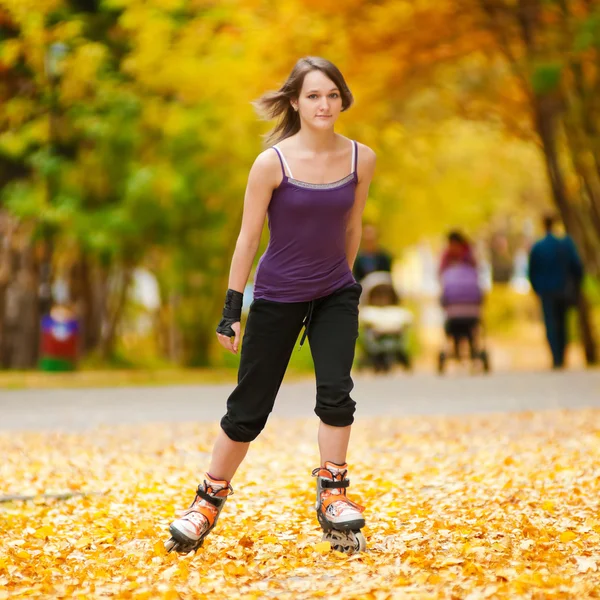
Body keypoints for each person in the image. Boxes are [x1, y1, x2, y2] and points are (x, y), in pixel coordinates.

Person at [164, 57, 376, 555]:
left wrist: (342, 281)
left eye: (332, 94)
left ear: (343, 98)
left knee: (336, 393)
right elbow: (247, 238)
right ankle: (206, 502)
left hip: (335, 292)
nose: (324, 104)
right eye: (313, 96)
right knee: (248, 409)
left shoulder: (360, 158)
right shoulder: (271, 163)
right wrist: (231, 308)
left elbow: (353, 225)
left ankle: (334, 497)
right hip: (278, 295)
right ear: (295, 103)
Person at [528, 215, 584, 369]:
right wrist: (576, 285)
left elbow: (532, 271)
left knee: (551, 324)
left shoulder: (538, 247)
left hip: (546, 291)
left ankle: (556, 357)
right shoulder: (565, 244)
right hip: (563, 289)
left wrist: (537, 288)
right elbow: (577, 267)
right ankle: (562, 356)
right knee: (563, 323)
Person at [438, 231, 483, 359]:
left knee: (470, 330)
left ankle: (472, 350)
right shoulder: (446, 257)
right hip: (454, 306)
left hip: (468, 306)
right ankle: (457, 350)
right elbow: (441, 276)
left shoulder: (469, 256)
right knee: (455, 330)